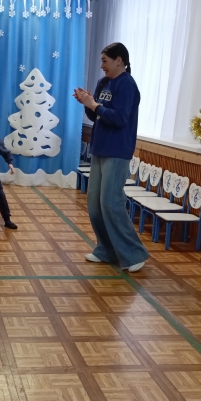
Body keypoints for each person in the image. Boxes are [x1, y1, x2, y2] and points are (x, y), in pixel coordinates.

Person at [73, 42, 149, 272]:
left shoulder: (127, 85)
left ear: (119, 61)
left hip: (117, 150)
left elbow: (120, 119)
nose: (101, 65)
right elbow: (96, 116)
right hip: (100, 147)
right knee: (95, 204)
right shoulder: (103, 83)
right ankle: (106, 250)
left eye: (105, 61)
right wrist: (87, 103)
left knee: (111, 202)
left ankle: (134, 254)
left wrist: (95, 105)